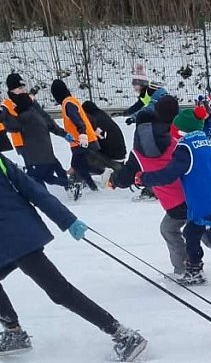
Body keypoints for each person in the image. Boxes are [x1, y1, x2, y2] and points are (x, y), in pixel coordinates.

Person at [0, 154, 147, 361]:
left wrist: (68, 220)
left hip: (18, 237)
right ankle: (14, 331)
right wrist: (68, 220)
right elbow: (34, 190)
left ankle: (123, 335)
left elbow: (33, 190)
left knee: (59, 291)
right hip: (15, 238)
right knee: (59, 291)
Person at [110, 97, 211, 278]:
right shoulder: (176, 143)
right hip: (194, 196)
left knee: (177, 230)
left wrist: (117, 180)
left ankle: (187, 269)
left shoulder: (139, 153)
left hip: (177, 204)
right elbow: (208, 168)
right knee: (208, 233)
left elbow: (126, 178)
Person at [1, 91, 71, 189]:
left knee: (36, 179)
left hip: (37, 157)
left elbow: (13, 126)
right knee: (48, 178)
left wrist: (3, 115)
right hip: (46, 153)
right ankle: (69, 184)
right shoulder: (35, 114)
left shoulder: (25, 117)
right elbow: (51, 125)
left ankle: (46, 198)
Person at [51, 80, 103, 194]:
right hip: (82, 140)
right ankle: (93, 187)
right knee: (80, 166)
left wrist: (82, 133)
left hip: (82, 141)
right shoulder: (72, 101)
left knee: (79, 166)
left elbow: (77, 119)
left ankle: (102, 172)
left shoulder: (67, 103)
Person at [82, 101, 127, 165]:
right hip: (120, 153)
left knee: (85, 150)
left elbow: (96, 141)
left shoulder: (95, 120)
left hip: (112, 156)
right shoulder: (102, 115)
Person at [0, 73, 32, 155]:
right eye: (20, 88)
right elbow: (5, 120)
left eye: (23, 87)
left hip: (36, 139)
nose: (23, 90)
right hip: (21, 142)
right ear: (12, 90)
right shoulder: (7, 104)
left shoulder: (28, 100)